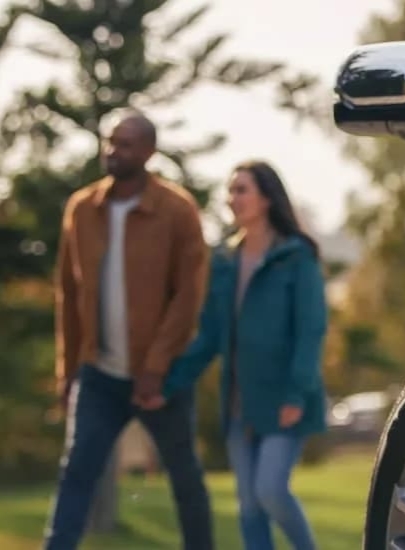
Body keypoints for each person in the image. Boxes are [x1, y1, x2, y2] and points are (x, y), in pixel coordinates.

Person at [46, 110, 214, 549]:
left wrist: (157, 367)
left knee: (185, 477)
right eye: (109, 141)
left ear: (148, 151)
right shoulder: (82, 209)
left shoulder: (177, 210)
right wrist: (68, 372)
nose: (112, 151)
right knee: (76, 472)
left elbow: (188, 297)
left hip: (160, 376)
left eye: (124, 143)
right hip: (98, 374)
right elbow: (67, 292)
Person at [157, 160, 329, 550]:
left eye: (241, 190)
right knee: (249, 506)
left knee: (270, 490)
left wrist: (296, 393)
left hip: (284, 398)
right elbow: (211, 337)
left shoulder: (296, 256)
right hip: (239, 402)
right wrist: (168, 382)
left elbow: (311, 330)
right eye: (230, 190)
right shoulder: (224, 261)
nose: (231, 199)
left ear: (266, 197)